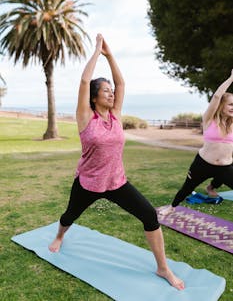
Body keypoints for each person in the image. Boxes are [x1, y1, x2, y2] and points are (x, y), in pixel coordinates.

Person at [49, 34, 184, 290]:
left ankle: (163, 268)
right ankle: (59, 236)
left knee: (149, 216)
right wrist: (96, 51)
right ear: (93, 97)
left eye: (111, 92)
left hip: (117, 182)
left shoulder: (116, 116)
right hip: (88, 183)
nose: (111, 94)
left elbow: (122, 84)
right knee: (69, 216)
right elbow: (84, 80)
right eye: (105, 91)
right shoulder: (85, 117)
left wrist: (110, 56)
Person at [160, 69, 233, 215]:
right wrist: (231, 78)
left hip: (225, 167)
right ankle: (172, 207)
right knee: (187, 187)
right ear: (221, 106)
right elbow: (217, 95)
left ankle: (211, 187)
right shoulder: (209, 119)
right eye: (231, 104)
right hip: (203, 163)